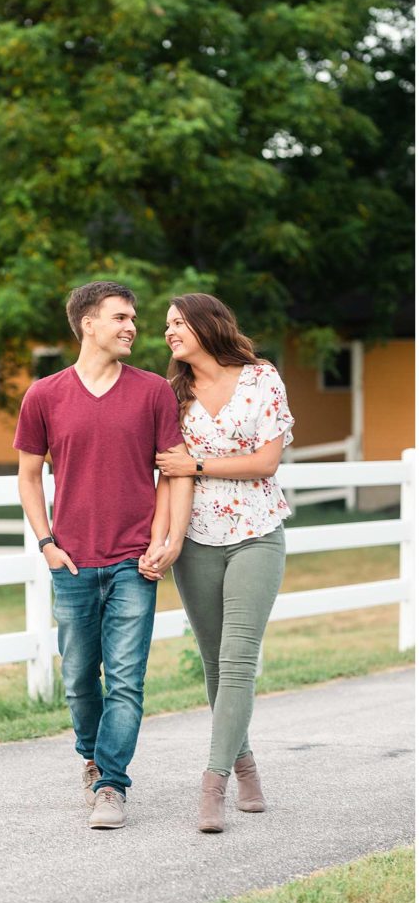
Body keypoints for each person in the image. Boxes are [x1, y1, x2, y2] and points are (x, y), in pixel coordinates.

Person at [14, 281, 193, 830]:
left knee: (125, 678)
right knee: (77, 680)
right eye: (120, 317)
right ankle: (91, 757)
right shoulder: (44, 395)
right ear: (87, 324)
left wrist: (167, 541)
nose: (132, 327)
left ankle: (112, 783)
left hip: (134, 562)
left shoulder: (154, 393)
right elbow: (27, 475)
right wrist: (47, 545)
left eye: (134, 318)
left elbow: (174, 470)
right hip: (71, 562)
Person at [153, 293, 294, 833]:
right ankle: (247, 766)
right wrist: (163, 541)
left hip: (256, 534)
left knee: (238, 661)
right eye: (165, 325)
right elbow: (169, 474)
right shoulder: (172, 396)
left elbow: (265, 461)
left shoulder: (261, 379)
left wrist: (199, 463)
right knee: (214, 664)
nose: (168, 331)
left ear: (207, 324)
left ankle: (212, 783)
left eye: (177, 322)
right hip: (197, 542)